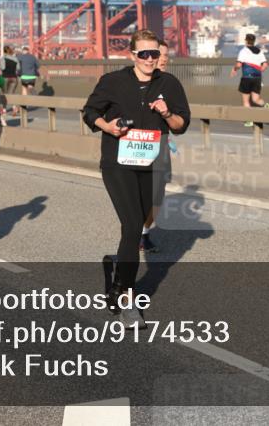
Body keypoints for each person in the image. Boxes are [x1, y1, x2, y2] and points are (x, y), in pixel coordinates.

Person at [83, 30, 191, 327]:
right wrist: (108, 126)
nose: (149, 59)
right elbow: (89, 112)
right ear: (132, 55)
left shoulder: (169, 84)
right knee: (132, 226)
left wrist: (166, 113)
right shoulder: (113, 82)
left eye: (154, 54)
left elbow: (181, 125)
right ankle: (128, 301)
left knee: (139, 224)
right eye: (143, 54)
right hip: (118, 164)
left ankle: (118, 272)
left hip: (152, 165)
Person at [141, 37, 176, 254]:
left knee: (158, 194)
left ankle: (144, 231)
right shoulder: (137, 81)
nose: (162, 59)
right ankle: (135, 233)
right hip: (137, 144)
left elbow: (179, 115)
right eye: (158, 55)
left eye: (165, 55)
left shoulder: (170, 83)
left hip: (161, 143)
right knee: (139, 191)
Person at [229, 33, 269, 126]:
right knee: (255, 99)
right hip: (257, 78)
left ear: (246, 41)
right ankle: (265, 105)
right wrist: (259, 71)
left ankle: (249, 120)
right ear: (254, 41)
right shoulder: (259, 51)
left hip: (247, 78)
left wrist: (234, 69)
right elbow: (265, 65)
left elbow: (239, 65)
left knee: (246, 101)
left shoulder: (243, 51)